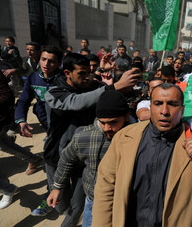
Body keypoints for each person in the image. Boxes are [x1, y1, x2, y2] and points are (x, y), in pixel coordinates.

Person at [92, 83, 192, 226]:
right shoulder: (125, 137)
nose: (164, 111)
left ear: (182, 110)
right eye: (158, 103)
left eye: (172, 104)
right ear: (150, 107)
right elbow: (105, 190)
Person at [32, 53, 141, 220]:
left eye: (88, 72)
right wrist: (114, 86)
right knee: (60, 202)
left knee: (77, 206)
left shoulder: (90, 86)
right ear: (67, 73)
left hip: (83, 157)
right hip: (56, 155)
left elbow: (100, 92)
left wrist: (104, 74)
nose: (87, 77)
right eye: (82, 73)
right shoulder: (54, 92)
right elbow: (77, 101)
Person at [46, 90, 131, 227]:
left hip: (127, 202)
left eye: (113, 122)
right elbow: (67, 160)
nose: (107, 128)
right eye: (102, 122)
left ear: (127, 116)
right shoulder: (83, 136)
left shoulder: (138, 138)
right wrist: (57, 187)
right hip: (94, 200)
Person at [0, 61, 42, 176]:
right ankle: (32, 159)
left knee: (3, 144)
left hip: (0, 119)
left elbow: (7, 95)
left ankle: (3, 185)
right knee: (3, 145)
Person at [15, 45, 62, 136]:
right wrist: (21, 120)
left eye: (51, 61)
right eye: (43, 59)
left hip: (63, 123)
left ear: (59, 63)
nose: (46, 64)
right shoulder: (33, 78)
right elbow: (23, 101)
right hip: (44, 121)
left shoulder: (65, 79)